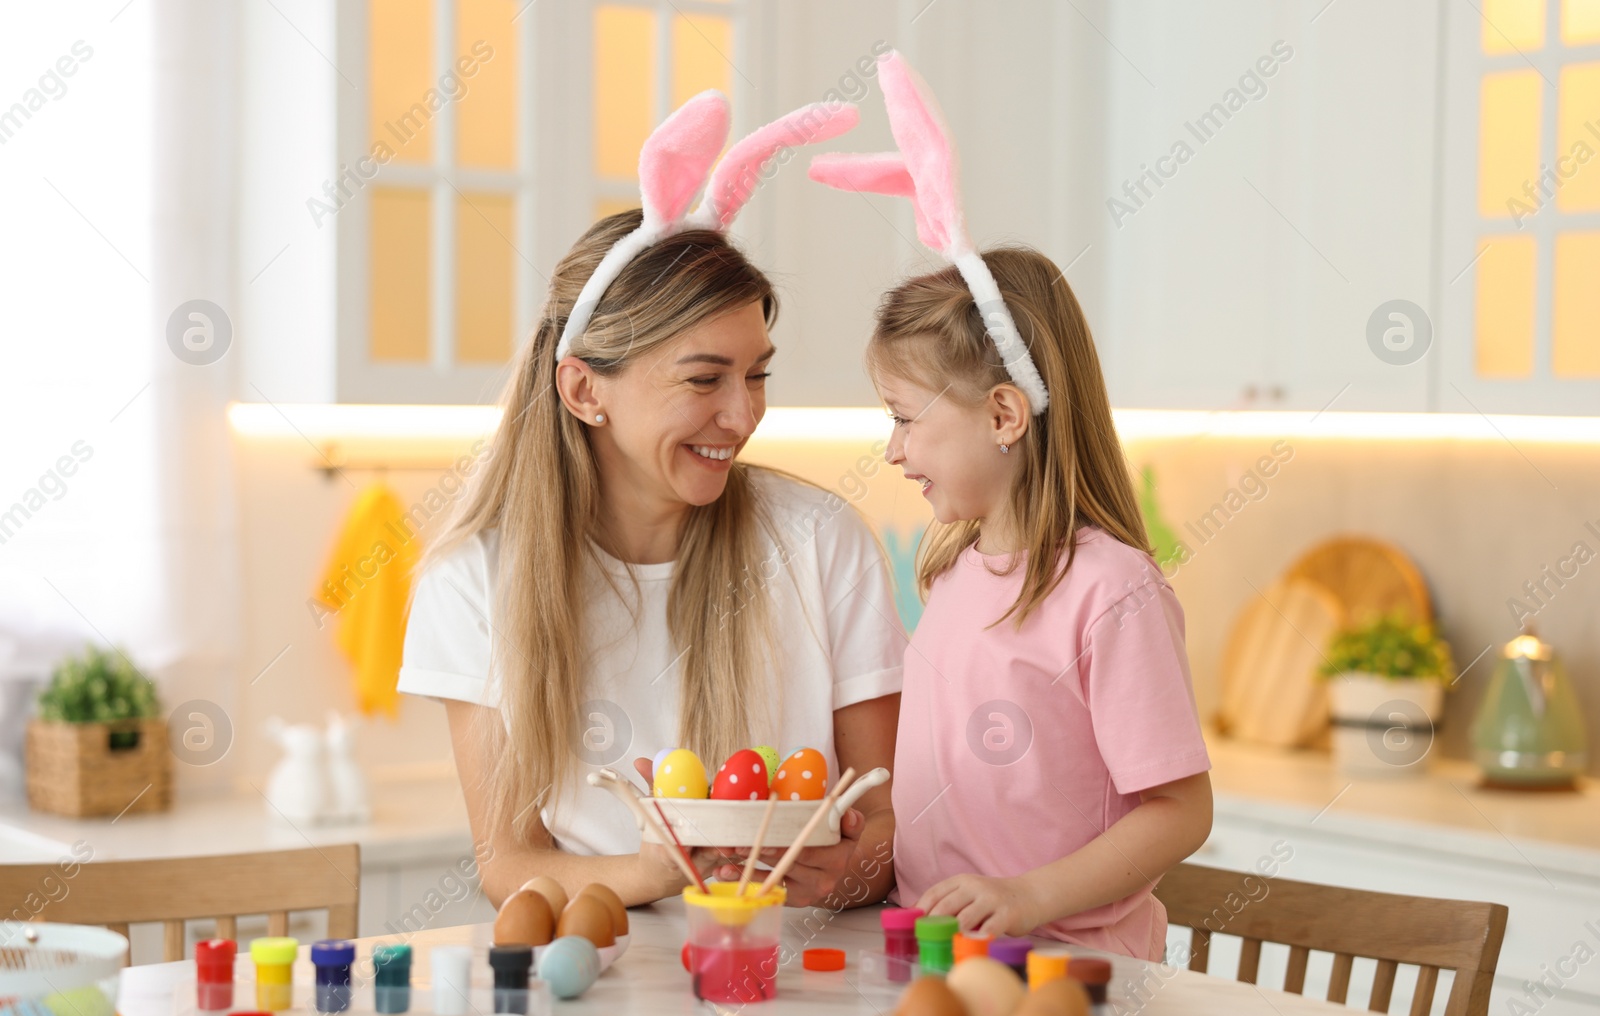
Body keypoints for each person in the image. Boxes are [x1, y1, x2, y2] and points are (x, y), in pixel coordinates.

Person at [399, 91, 904, 911]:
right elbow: (506, 860)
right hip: (607, 986)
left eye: (757, 374)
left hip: (800, 989)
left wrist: (847, 873)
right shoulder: (473, 580)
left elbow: (887, 823)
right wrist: (658, 870)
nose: (743, 415)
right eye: (705, 378)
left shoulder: (824, 542)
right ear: (583, 389)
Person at [812, 53, 1211, 960]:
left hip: (1072, 978)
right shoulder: (953, 571)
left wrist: (1030, 895)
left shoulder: (1111, 591)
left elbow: (1182, 810)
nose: (893, 449)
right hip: (939, 960)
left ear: (1003, 414)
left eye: (906, 419)